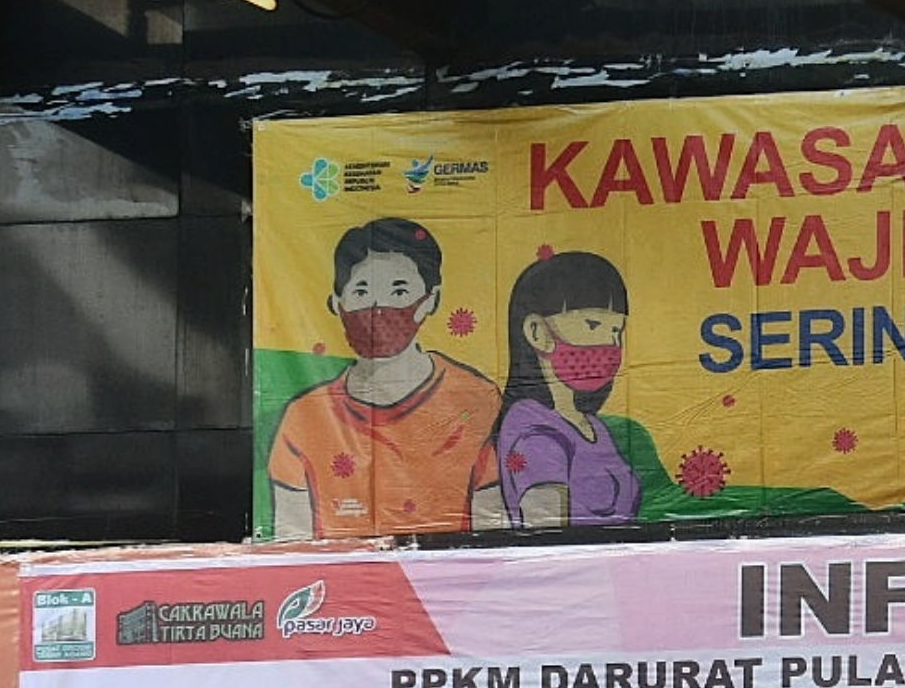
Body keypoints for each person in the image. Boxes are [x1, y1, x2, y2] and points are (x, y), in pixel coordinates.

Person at [265, 216, 505, 539]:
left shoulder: (476, 399)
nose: (379, 307)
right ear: (337, 304)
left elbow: (492, 530)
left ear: (431, 300)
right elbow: (290, 540)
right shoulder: (304, 418)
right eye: (361, 291)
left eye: (399, 290)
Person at [493, 249, 641, 527]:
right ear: (537, 332)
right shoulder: (533, 430)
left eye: (616, 332)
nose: (610, 344)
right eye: (593, 325)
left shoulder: (593, 427)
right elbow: (548, 534)